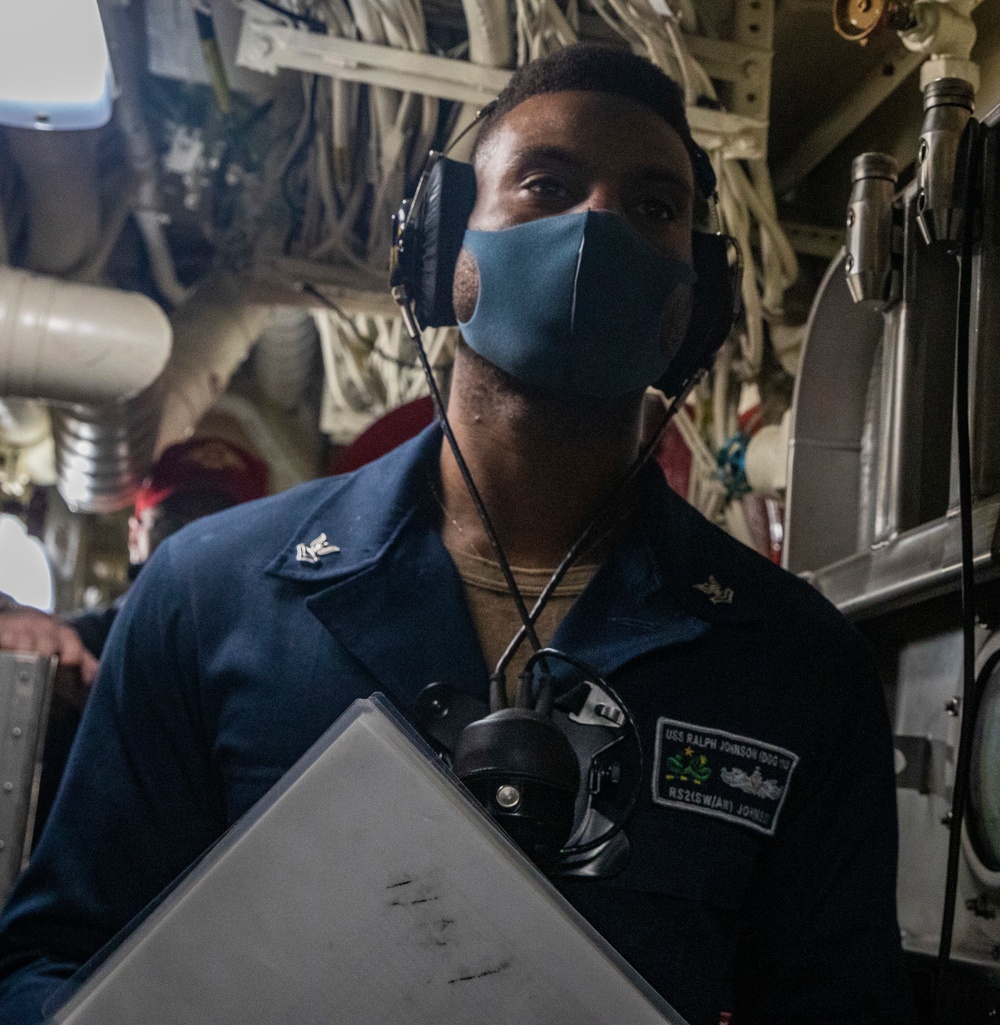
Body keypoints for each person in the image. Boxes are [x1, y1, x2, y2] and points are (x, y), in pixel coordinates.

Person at [0, 45, 912, 1025]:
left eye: (654, 206)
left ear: (698, 302)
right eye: (545, 184)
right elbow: (55, 961)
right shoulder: (210, 594)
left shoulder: (795, 662)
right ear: (442, 250)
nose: (597, 223)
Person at [0, 437, 269, 833]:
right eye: (174, 524)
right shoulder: (73, 649)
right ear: (134, 537)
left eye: (225, 526)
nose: (199, 543)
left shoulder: (277, 672)